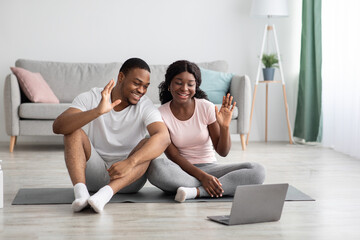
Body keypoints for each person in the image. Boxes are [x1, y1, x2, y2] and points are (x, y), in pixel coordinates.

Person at [53, 58, 170, 213]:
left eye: (145, 86)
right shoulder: (93, 96)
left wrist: (130, 162)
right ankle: (81, 195)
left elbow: (164, 137)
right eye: (136, 83)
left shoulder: (145, 105)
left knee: (149, 142)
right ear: (121, 77)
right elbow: (58, 126)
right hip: (93, 174)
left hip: (128, 178)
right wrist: (97, 112)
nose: (141, 90)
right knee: (73, 130)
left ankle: (104, 195)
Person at [147, 60, 265, 202]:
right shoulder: (160, 114)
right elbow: (174, 156)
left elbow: (223, 151)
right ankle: (215, 186)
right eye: (178, 82)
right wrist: (203, 178)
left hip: (212, 169)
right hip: (182, 171)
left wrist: (225, 127)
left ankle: (196, 192)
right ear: (169, 85)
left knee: (257, 170)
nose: (184, 88)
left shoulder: (205, 107)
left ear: (196, 87)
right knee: (156, 167)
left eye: (190, 84)